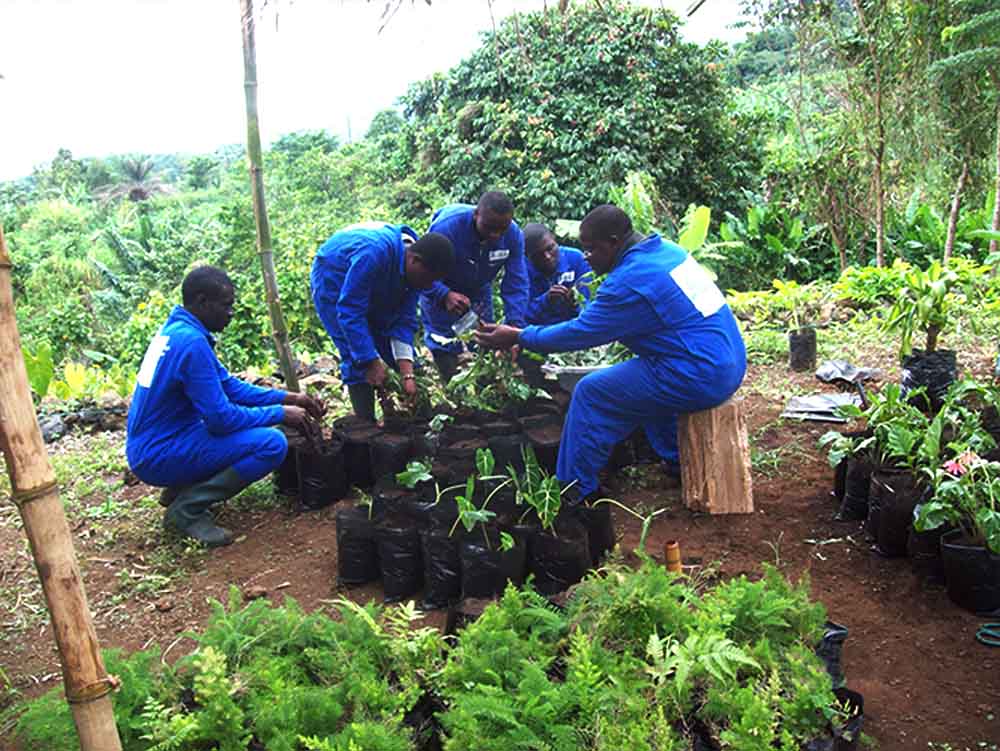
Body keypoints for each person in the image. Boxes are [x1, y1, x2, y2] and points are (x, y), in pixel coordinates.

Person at [475, 204, 747, 502]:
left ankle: (574, 491)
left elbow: (580, 333)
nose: (587, 257)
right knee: (642, 382)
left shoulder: (629, 282)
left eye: (591, 249)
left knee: (592, 392)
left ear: (614, 242)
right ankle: (676, 460)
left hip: (701, 373)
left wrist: (520, 336)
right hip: (728, 359)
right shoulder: (665, 250)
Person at [126, 266, 324, 546]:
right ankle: (186, 510)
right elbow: (222, 419)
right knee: (271, 443)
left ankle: (181, 487)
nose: (231, 313)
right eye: (226, 305)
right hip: (159, 453)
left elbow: (230, 387)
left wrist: (290, 398)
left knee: (256, 428)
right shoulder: (192, 344)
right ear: (202, 302)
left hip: (156, 443)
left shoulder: (178, 332)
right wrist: (281, 414)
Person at [311, 222, 454, 421]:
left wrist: (408, 376)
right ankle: (366, 426)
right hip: (334, 276)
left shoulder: (415, 274)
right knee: (356, 354)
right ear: (415, 260)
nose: (429, 286)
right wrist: (370, 360)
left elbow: (403, 322)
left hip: (375, 276)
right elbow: (350, 311)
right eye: (428, 280)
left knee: (391, 344)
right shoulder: (374, 254)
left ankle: (423, 421)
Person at [418, 191, 529, 382]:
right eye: (489, 227)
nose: (495, 234)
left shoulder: (513, 235)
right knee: (443, 343)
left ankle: (483, 396)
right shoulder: (448, 228)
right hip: (440, 286)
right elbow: (420, 271)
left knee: (485, 340)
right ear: (476, 214)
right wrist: (443, 294)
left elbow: (516, 282)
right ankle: (454, 395)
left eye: (501, 228)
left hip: (478, 291)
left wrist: (514, 326)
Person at [523, 222, 593, 326]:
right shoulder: (521, 271)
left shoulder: (576, 259)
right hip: (538, 333)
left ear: (554, 239)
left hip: (576, 329)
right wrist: (545, 300)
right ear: (527, 256)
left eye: (550, 248)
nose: (547, 256)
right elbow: (520, 316)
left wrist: (574, 302)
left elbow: (590, 305)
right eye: (538, 255)